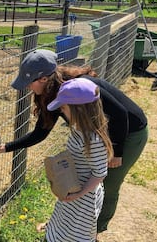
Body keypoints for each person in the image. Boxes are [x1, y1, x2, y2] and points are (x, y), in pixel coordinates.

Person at [0, 49, 149, 234]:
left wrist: (118, 152)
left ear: (43, 79)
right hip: (97, 136)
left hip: (129, 134)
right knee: (80, 182)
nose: (27, 87)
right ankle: (63, 226)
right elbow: (41, 132)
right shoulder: (55, 95)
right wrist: (6, 147)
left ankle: (92, 231)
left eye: (28, 82)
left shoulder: (82, 88)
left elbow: (121, 115)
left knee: (107, 184)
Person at [43, 77, 113, 241]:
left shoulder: (93, 140)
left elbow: (100, 173)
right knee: (63, 223)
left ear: (79, 110)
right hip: (73, 187)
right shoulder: (78, 129)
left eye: (64, 108)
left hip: (84, 197)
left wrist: (79, 194)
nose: (61, 111)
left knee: (76, 233)